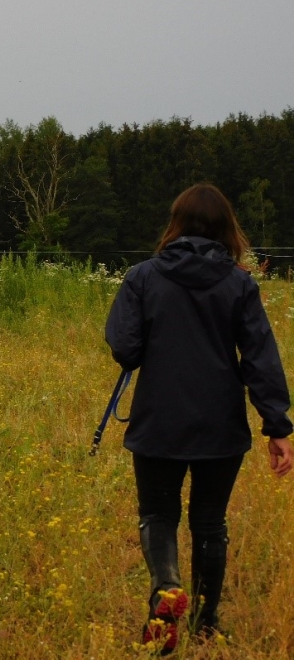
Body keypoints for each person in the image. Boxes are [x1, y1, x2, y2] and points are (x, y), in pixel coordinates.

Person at [105, 183, 293, 655]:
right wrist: (278, 426)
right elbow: (260, 358)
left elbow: (125, 349)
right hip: (220, 424)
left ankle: (166, 588)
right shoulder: (239, 283)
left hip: (158, 421)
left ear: (176, 224)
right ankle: (206, 624)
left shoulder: (143, 277)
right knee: (209, 522)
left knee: (158, 514)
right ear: (227, 228)